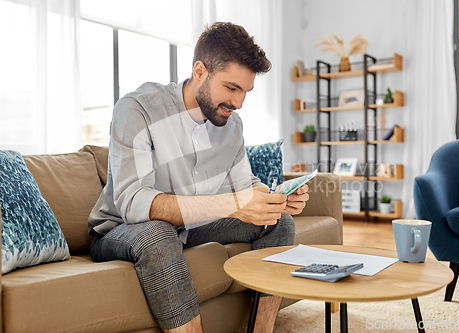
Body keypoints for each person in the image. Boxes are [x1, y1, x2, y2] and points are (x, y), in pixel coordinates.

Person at [88, 21, 310, 333]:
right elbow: (132, 203)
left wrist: (276, 199)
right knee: (157, 233)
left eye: (245, 91)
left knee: (278, 222)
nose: (239, 103)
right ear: (200, 71)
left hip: (189, 227)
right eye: (231, 88)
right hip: (120, 230)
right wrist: (233, 204)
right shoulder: (137, 109)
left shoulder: (231, 126)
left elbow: (245, 185)